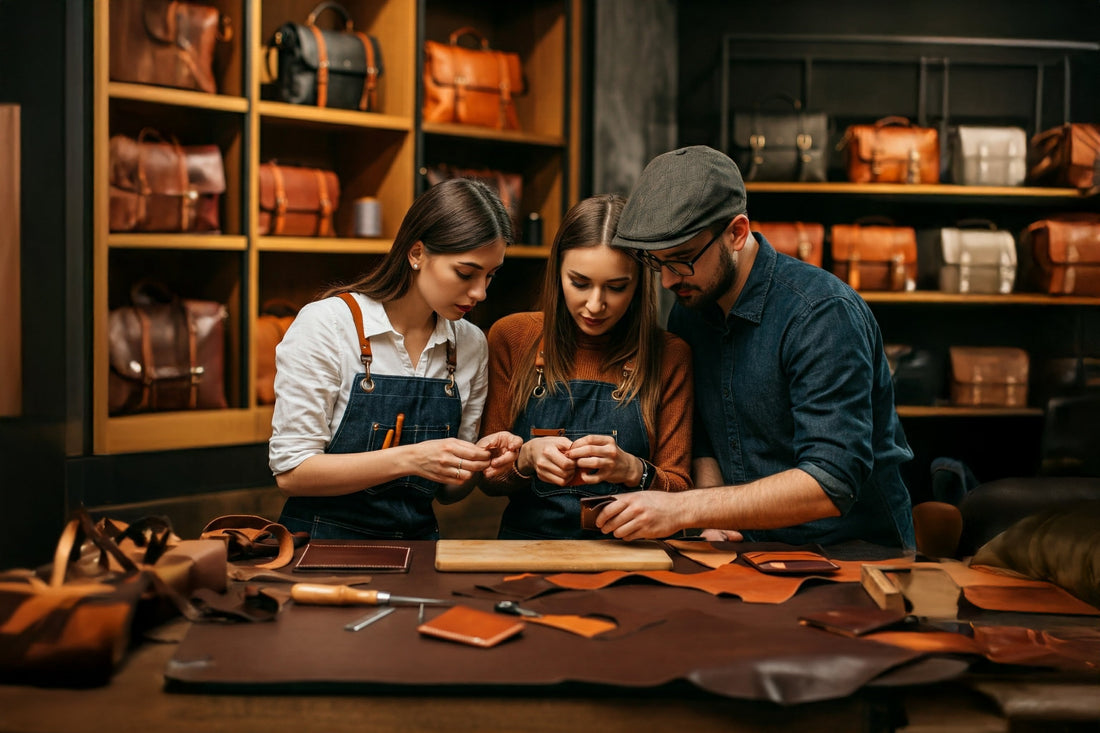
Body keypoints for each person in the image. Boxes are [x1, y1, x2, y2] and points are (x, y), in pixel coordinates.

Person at [600, 145, 915, 549]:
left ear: (737, 233)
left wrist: (686, 509)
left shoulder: (820, 315)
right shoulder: (690, 309)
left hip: (853, 553)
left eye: (681, 260)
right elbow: (706, 440)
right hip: (746, 547)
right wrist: (712, 523)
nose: (666, 282)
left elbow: (830, 481)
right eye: (657, 263)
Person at [269, 179, 523, 540]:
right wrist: (412, 459)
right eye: (465, 273)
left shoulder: (469, 343)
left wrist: (474, 460)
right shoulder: (327, 324)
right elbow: (292, 474)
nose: (479, 292)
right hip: (321, 550)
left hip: (417, 553)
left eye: (490, 276)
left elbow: (450, 494)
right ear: (416, 253)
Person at [479, 194, 694, 539]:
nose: (595, 305)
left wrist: (633, 470)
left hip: (630, 559)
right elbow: (488, 480)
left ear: (639, 286)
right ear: (557, 273)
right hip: (528, 556)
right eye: (579, 283)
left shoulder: (669, 355)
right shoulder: (512, 337)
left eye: (616, 287)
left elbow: (682, 494)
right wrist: (526, 457)